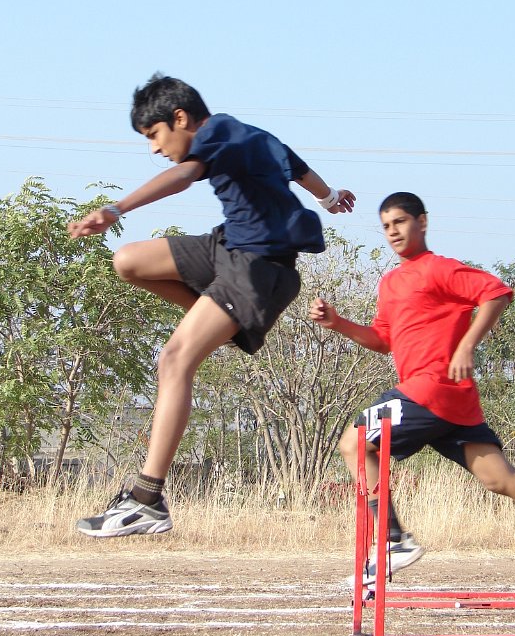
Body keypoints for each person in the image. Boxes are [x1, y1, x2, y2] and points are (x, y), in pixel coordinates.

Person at [68, 73, 355, 538]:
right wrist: (329, 197)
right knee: (129, 261)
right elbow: (301, 171)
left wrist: (116, 209)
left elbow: (183, 176)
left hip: (257, 269)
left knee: (174, 360)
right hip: (227, 247)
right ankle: (214, 320)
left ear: (181, 119)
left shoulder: (216, 131)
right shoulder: (252, 134)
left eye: (154, 135)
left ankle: (147, 500)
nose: (154, 149)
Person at [309, 191, 515, 601]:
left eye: (400, 222)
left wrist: (468, 344)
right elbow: (383, 340)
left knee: (353, 443)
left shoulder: (440, 269)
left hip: (430, 388)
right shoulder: (390, 283)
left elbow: (496, 293)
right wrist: (338, 323)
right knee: (499, 478)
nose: (393, 231)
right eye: (386, 226)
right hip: (450, 402)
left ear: (422, 222)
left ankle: (394, 540)